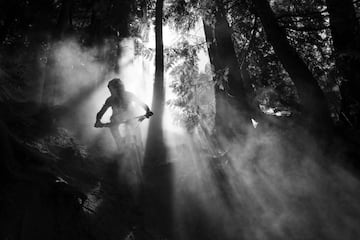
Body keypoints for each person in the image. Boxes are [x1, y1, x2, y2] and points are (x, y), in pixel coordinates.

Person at [94, 78, 152, 151]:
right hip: (119, 119)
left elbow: (141, 103)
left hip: (130, 117)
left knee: (135, 130)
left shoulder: (127, 96)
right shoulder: (111, 99)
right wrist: (98, 121)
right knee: (115, 128)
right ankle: (121, 147)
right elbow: (101, 113)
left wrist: (147, 111)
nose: (118, 90)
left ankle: (138, 145)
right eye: (114, 89)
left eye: (118, 88)